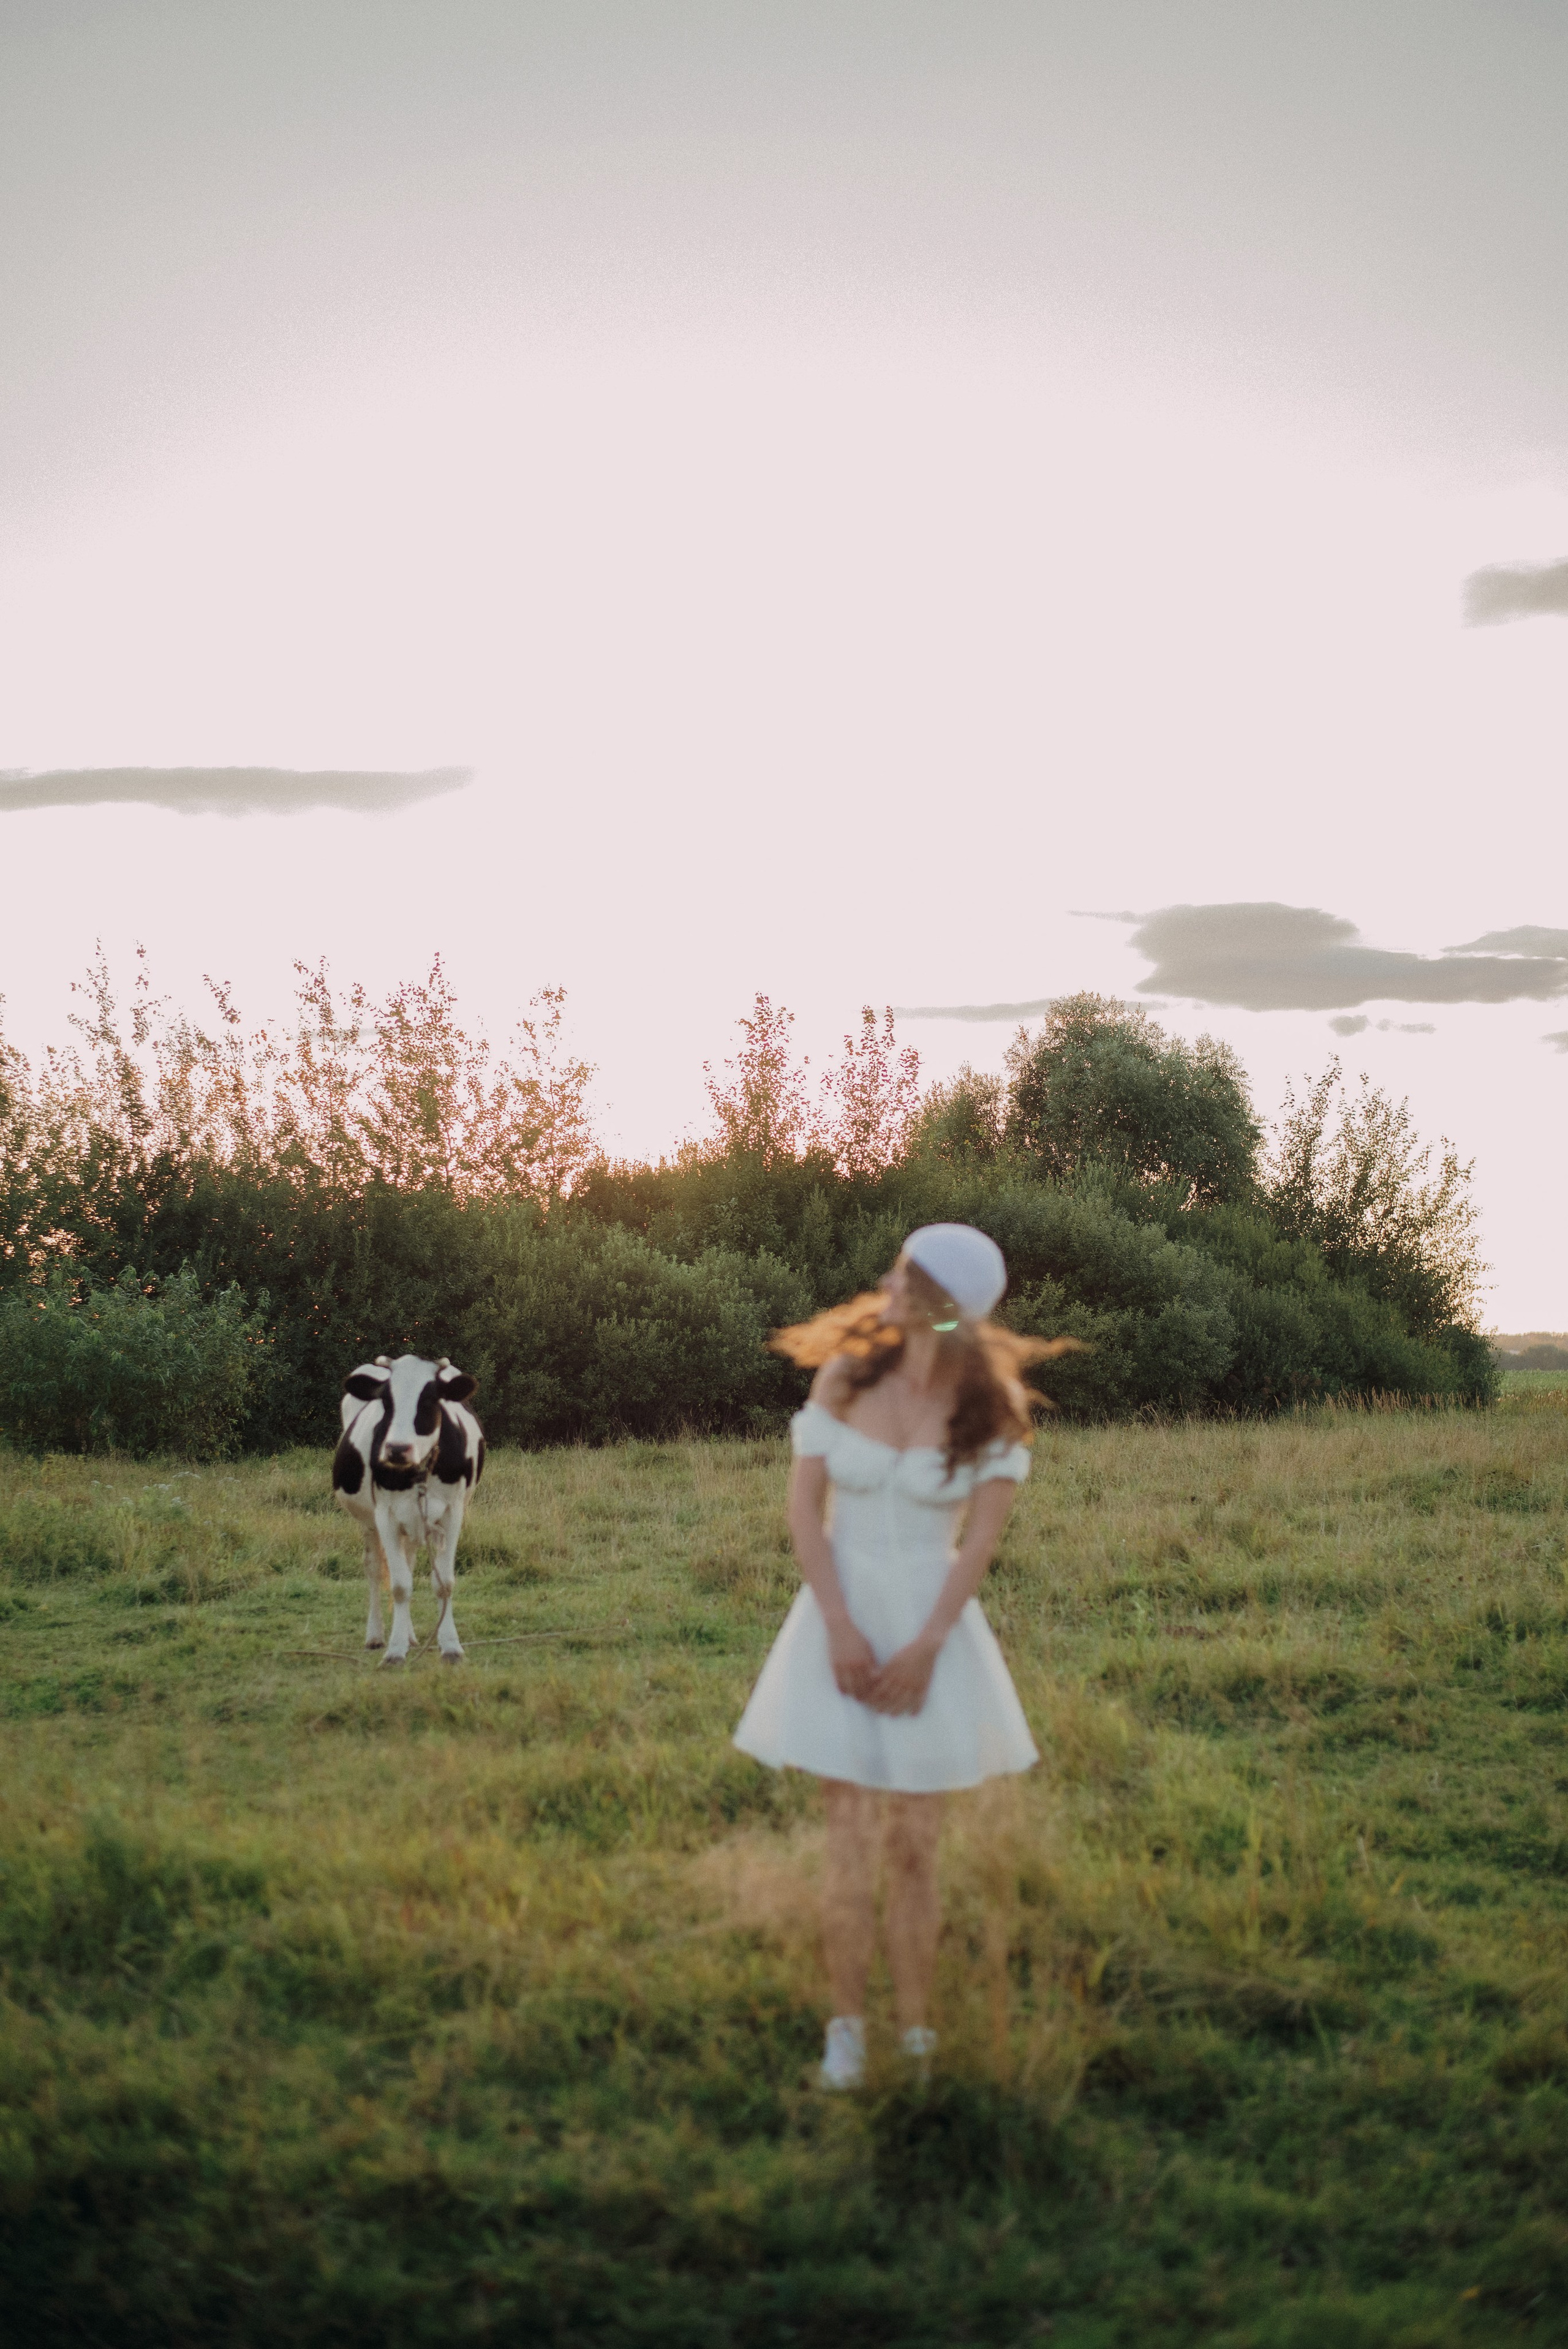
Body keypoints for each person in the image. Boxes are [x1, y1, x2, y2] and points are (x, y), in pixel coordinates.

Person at [733, 1222, 1061, 2091]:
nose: (885, 1282)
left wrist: (925, 1647)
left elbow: (978, 1545)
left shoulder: (990, 1408)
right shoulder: (846, 1376)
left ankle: (916, 2035)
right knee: (847, 1839)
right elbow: (805, 1513)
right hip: (835, 1620)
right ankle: (846, 2033)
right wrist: (840, 1625)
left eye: (902, 1274)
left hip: (932, 1632)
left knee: (915, 1845)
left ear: (936, 1303)